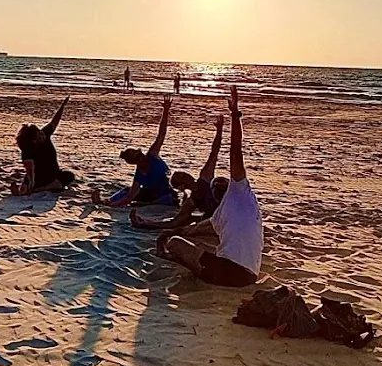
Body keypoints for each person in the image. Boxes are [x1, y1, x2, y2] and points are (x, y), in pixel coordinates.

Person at [156, 86, 263, 288]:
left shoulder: (239, 191)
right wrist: (170, 231)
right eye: (216, 185)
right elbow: (197, 228)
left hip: (230, 272)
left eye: (222, 182)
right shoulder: (228, 210)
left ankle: (176, 258)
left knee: (176, 244)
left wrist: (235, 114)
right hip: (247, 276)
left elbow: (236, 151)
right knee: (189, 242)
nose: (219, 185)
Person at [130, 115, 228, 231]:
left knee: (218, 182)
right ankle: (144, 223)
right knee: (187, 220)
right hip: (218, 220)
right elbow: (174, 222)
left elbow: (214, 153)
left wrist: (219, 131)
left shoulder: (205, 177)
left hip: (230, 207)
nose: (185, 175)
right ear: (181, 186)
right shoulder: (191, 200)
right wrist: (146, 224)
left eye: (183, 173)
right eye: (181, 176)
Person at [91, 96, 176, 207]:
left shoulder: (152, 155)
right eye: (138, 157)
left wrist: (166, 111)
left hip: (166, 194)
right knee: (127, 191)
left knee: (159, 199)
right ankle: (107, 202)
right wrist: (113, 205)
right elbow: (130, 196)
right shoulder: (139, 174)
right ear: (135, 161)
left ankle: (107, 203)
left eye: (140, 154)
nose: (142, 157)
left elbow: (161, 134)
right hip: (151, 195)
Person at [12, 97, 75, 194]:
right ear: (34, 140)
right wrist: (31, 181)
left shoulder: (45, 134)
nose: (42, 135)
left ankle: (36, 189)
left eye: (40, 132)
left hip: (53, 174)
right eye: (39, 135)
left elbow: (54, 121)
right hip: (38, 176)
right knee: (29, 181)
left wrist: (62, 106)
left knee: (68, 175)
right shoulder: (27, 148)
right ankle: (28, 189)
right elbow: (29, 168)